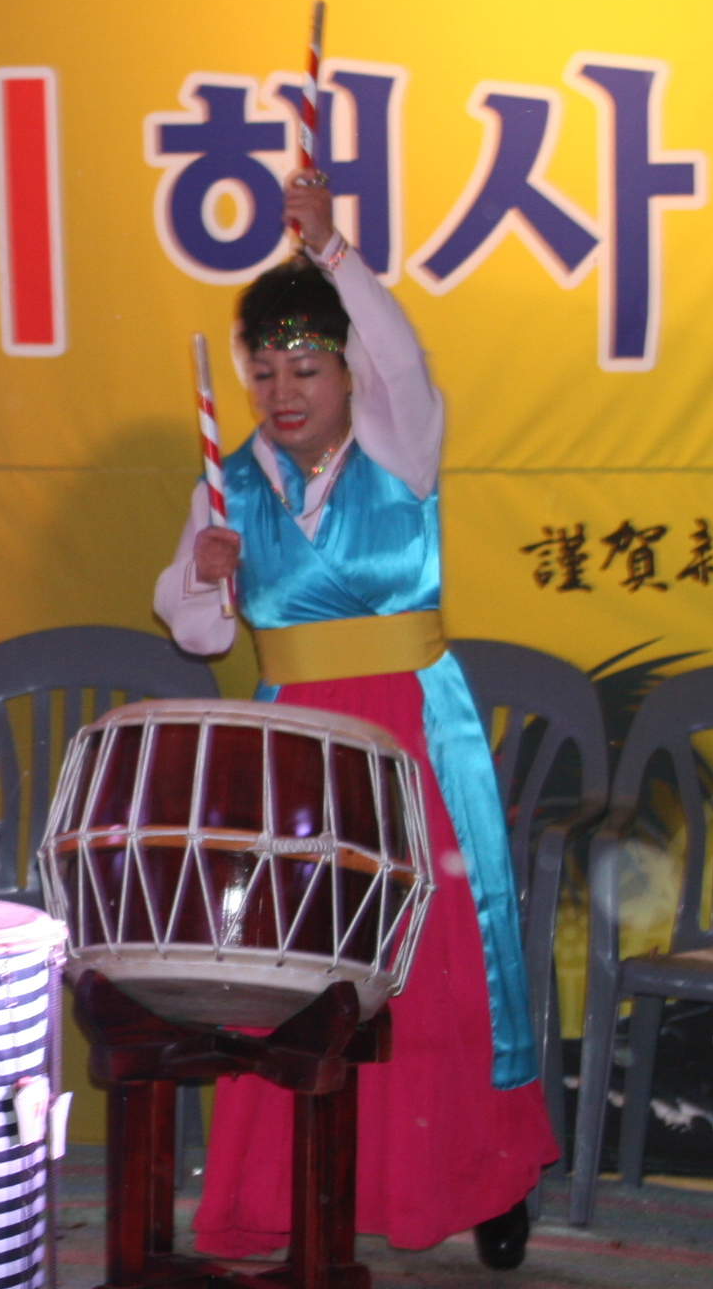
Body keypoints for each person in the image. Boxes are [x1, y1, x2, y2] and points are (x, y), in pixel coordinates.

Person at [153, 173, 554, 1269]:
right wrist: (204, 573)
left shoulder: (400, 445)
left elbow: (406, 359)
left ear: (348, 371)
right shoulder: (227, 484)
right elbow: (196, 632)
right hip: (295, 748)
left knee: (441, 965)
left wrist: (332, 251)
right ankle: (284, 1190)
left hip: (416, 735)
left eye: (307, 367)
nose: (283, 391)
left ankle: (483, 1180)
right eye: (264, 370)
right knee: (301, 971)